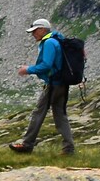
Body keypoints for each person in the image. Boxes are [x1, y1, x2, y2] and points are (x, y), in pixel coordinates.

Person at [10, 18, 74, 155]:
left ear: (42, 30)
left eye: (34, 31)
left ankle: (27, 144)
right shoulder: (57, 40)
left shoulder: (49, 42)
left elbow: (46, 65)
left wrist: (28, 69)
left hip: (53, 84)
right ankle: (69, 148)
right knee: (60, 115)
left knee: (38, 112)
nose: (33, 34)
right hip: (62, 83)